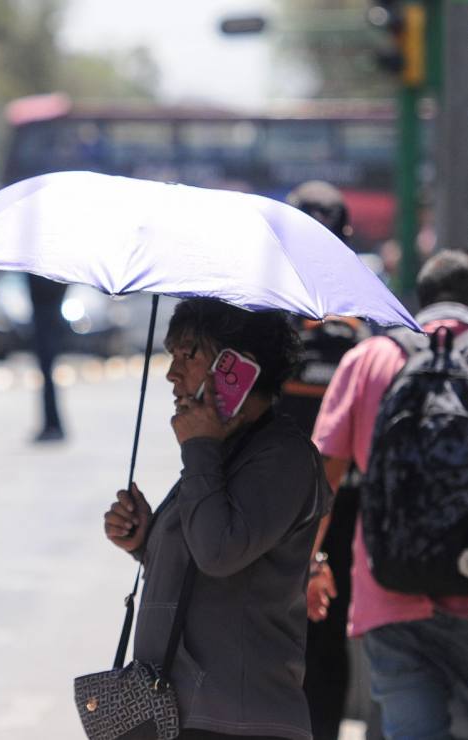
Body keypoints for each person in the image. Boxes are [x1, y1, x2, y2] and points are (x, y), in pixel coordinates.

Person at [104, 298, 328, 740]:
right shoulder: (224, 447)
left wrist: (200, 449)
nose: (172, 373)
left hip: (239, 720)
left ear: (238, 365)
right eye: (172, 355)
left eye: (188, 355)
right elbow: (206, 562)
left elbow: (219, 553)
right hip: (184, 714)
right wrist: (146, 543)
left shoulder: (283, 456)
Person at [310, 250, 468, 739]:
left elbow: (322, 477)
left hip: (389, 594)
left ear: (418, 301)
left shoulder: (369, 359)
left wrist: (311, 559)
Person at [278, 181, 370, 740]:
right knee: (328, 635)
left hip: (266, 508)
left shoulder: (258, 321)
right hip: (342, 506)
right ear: (348, 240)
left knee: (261, 634)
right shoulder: (365, 324)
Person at [27, 273, 67, 442]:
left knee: (47, 375)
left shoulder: (44, 272)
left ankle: (52, 425)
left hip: (46, 328)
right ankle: (51, 423)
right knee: (47, 376)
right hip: (47, 326)